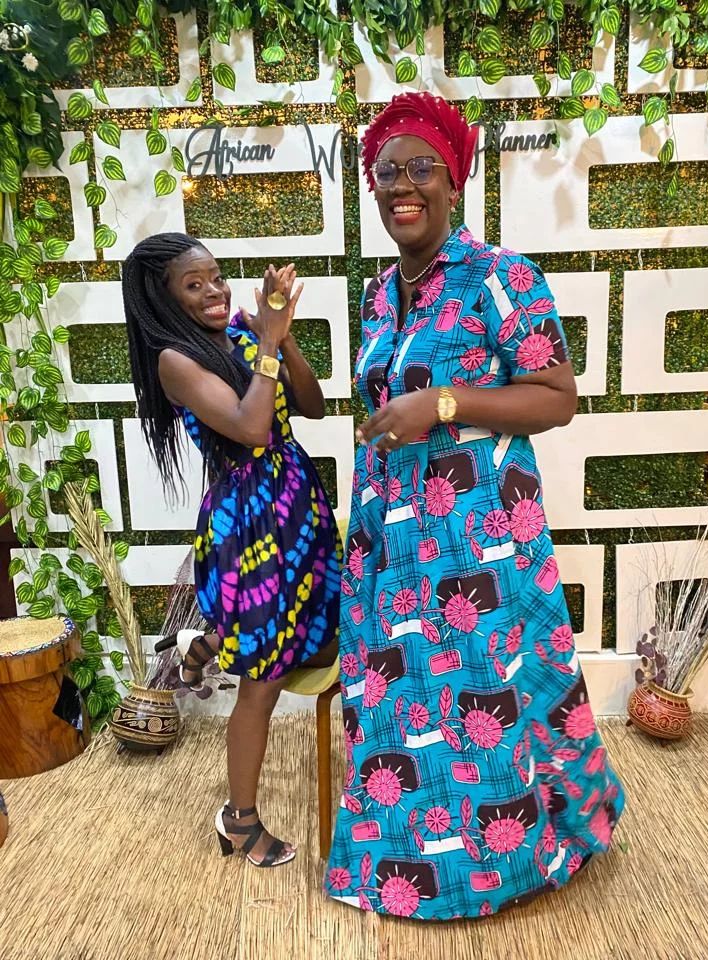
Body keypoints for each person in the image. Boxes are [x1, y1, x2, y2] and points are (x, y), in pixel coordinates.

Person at [324, 93, 625, 919]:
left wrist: (445, 403)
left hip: (480, 543)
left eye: (421, 168)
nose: (402, 185)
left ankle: (513, 863)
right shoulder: (379, 295)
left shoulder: (501, 277)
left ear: (454, 182)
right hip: (394, 540)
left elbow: (556, 397)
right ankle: (401, 867)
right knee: (406, 708)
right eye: (387, 173)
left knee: (491, 699)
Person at [123, 233, 341, 867]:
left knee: (320, 638)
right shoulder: (175, 360)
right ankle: (238, 820)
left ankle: (208, 643)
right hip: (249, 527)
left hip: (297, 504)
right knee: (263, 681)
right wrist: (267, 342)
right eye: (194, 285)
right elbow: (251, 428)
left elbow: (311, 405)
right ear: (165, 299)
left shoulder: (245, 333)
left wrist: (283, 335)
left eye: (216, 277)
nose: (214, 291)